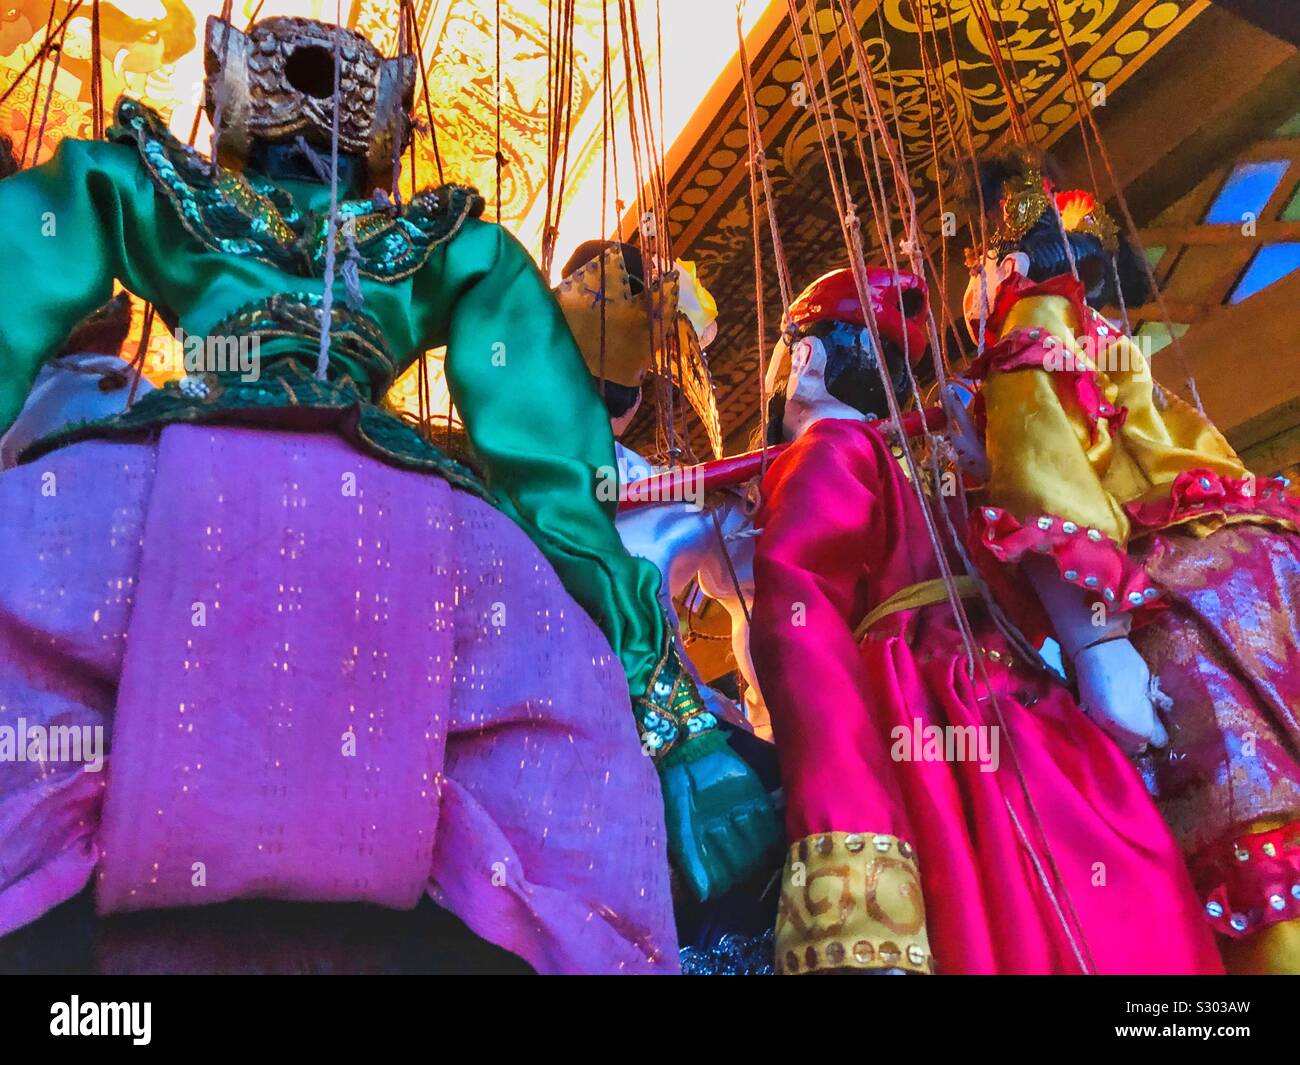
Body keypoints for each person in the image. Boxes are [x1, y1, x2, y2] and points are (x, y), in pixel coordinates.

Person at [0, 14, 776, 974]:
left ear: (227, 97)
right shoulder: (450, 245)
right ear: (389, 134)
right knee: (551, 714)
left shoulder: (146, 183)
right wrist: (668, 713)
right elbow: (553, 481)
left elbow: (23, 263)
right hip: (421, 526)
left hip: (146, 487)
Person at [747, 265, 1222, 974]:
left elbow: (801, 637)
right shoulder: (899, 464)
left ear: (805, 360)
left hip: (938, 720)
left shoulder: (832, 452)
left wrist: (845, 848)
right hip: (1018, 709)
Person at [964, 151, 1300, 974]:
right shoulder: (1109, 340)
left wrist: (1096, 645)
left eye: (971, 269)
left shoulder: (1026, 328)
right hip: (1261, 569)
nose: (965, 291)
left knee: (1243, 825)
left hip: (1183, 596)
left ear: (1004, 264)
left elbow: (1049, 485)